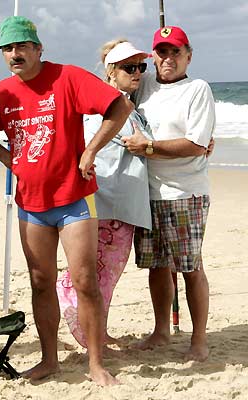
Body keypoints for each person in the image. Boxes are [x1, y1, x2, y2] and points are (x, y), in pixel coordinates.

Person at [0, 16, 134, 386]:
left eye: (23, 47)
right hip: (30, 203)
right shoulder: (2, 93)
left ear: (38, 49)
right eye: (9, 48)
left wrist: (91, 149)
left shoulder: (68, 77)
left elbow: (119, 107)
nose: (16, 54)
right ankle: (49, 360)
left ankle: (95, 362)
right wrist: (7, 158)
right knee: (40, 282)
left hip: (74, 198)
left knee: (84, 280)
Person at [122, 26, 216, 362]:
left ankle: (199, 340)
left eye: (175, 51)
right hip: (146, 191)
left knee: (190, 267)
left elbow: (196, 144)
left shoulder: (197, 89)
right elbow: (113, 77)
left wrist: (148, 147)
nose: (168, 58)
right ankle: (161, 331)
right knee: (157, 266)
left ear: (188, 56)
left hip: (185, 193)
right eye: (161, 52)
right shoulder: (143, 83)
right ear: (152, 57)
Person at [56, 40, 153, 348]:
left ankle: (97, 329)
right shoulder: (111, 107)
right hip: (110, 203)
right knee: (103, 271)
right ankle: (87, 327)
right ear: (112, 72)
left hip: (120, 203)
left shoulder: (126, 104)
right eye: (129, 68)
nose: (137, 73)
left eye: (141, 66)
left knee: (106, 273)